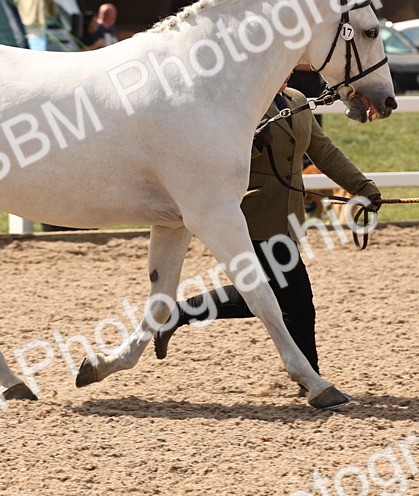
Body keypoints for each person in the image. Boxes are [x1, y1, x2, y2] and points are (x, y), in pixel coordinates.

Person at [151, 76, 382, 388]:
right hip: (250, 215)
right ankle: (310, 379)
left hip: (286, 217)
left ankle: (178, 314)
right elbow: (211, 157)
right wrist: (252, 145)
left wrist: (363, 186)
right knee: (297, 301)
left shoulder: (297, 100)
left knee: (268, 296)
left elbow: (323, 151)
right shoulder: (237, 102)